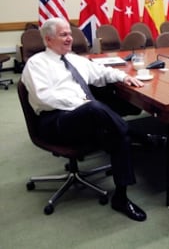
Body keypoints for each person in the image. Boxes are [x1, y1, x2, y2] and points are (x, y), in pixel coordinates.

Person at [21, 17, 146, 222]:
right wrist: (82, 104)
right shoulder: (36, 64)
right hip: (54, 121)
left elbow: (102, 72)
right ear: (48, 39)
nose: (70, 38)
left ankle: (121, 197)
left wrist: (123, 77)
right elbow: (45, 97)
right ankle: (141, 137)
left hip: (83, 116)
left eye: (70, 33)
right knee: (96, 108)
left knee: (116, 134)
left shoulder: (75, 59)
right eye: (64, 35)